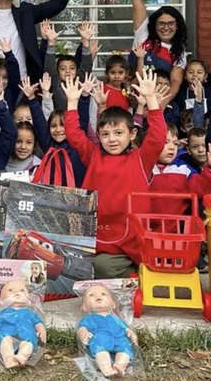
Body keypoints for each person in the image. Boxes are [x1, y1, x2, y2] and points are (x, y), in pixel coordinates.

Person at [63, 69, 167, 278]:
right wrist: (72, 103)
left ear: (132, 133)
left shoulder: (140, 157)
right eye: (105, 134)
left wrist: (151, 100)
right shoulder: (93, 155)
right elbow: (74, 135)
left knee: (110, 267)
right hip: (100, 235)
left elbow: (157, 137)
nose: (112, 139)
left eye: (119, 133)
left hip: (133, 239)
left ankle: (137, 271)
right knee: (90, 267)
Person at [129, 0, 188, 101]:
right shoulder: (144, 34)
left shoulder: (179, 51)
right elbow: (138, 1)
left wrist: (161, 105)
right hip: (133, 101)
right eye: (161, 24)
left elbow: (175, 82)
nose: (166, 28)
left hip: (159, 102)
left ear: (177, 26)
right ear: (154, 25)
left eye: (170, 24)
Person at [149, 124, 211, 215]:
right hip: (145, 225)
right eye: (166, 142)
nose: (172, 147)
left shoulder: (183, 169)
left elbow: (203, 189)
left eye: (175, 143)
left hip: (179, 225)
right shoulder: (142, 167)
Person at [77, 284, 137, 378]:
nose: (98, 297)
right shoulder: (89, 318)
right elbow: (82, 328)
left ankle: (120, 366)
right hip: (100, 338)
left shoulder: (116, 318)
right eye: (91, 295)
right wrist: (83, 334)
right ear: (84, 306)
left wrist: (131, 334)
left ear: (113, 303)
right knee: (100, 350)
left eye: (103, 294)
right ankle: (106, 368)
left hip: (119, 337)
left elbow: (126, 328)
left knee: (125, 349)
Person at [0, 280, 47, 369]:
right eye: (10, 290)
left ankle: (22, 356)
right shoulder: (3, 312)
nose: (16, 293)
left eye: (22, 290)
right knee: (5, 341)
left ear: (28, 298)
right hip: (6, 334)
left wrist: (42, 329)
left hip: (27, 335)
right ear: (1, 299)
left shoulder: (29, 313)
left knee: (28, 344)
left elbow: (37, 322)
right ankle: (8, 358)